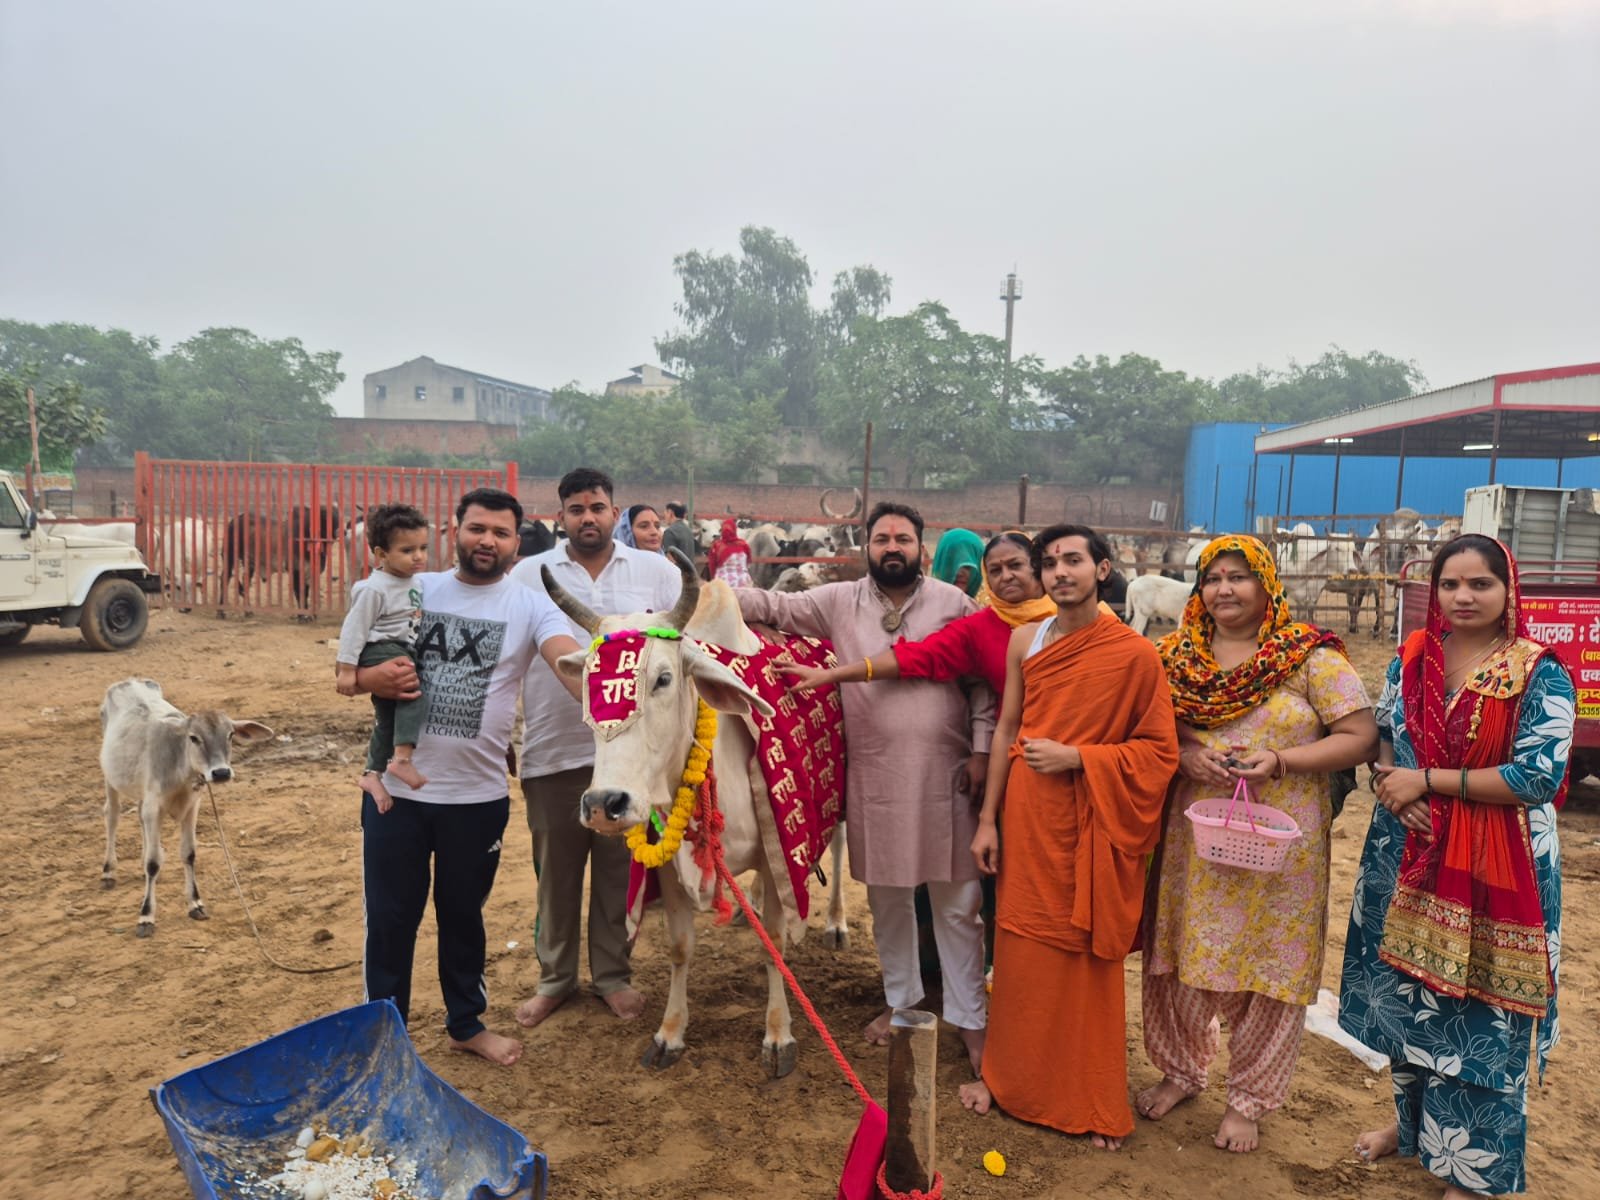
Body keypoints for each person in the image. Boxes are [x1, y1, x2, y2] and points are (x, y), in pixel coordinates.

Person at [1338, 534, 1572, 1199]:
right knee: (1407, 1003)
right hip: (1404, 852)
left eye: (1481, 584)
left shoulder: (1538, 670)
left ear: (1509, 591)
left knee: (1478, 1014)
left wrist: (1429, 784)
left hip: (1498, 868)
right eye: (1450, 584)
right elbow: (1385, 743)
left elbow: (1535, 776)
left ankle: (1474, 1172)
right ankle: (1413, 1133)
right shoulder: (1410, 661)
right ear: (1433, 591)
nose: (1464, 597)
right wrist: (1394, 787)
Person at [1137, 535, 1377, 1153]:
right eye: (1212, 577)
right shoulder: (1173, 658)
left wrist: (1282, 760)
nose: (1224, 589)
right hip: (1196, 840)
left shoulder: (1306, 657)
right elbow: (1152, 727)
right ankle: (1181, 1071)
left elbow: (1358, 736)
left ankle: (1248, 1100)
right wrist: (1188, 751)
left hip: (1283, 847)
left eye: (1238, 576)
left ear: (1266, 584)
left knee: (1272, 963)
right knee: (1183, 955)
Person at [736, 501, 996, 1072]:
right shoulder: (839, 600)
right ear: (866, 547)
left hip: (946, 777)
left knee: (957, 907)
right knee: (889, 903)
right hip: (876, 778)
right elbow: (773, 604)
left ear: (922, 549)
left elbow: (982, 686)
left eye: (903, 538)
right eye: (882, 539)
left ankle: (970, 1020)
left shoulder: (955, 604)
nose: (893, 547)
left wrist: (980, 750)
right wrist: (706, 592)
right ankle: (903, 1007)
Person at [959, 524, 1178, 1150]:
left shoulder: (1135, 653)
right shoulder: (1025, 640)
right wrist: (986, 821)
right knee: (1022, 948)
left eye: (1073, 560)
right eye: (1048, 563)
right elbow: (1005, 730)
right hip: (1028, 817)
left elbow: (1158, 750)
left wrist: (1082, 758)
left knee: (1082, 954)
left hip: (1093, 820)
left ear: (1102, 570)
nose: (1059, 572)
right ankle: (1005, 1080)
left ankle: (1087, 1096)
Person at [353, 487, 582, 1066]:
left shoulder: (531, 606)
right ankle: (386, 1035)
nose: (488, 541)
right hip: (397, 793)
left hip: (477, 799)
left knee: (463, 916)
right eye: (478, 528)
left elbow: (567, 661)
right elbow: (355, 662)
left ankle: (465, 1024)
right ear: (455, 529)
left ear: (516, 543)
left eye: (501, 533)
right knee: (390, 918)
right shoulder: (413, 588)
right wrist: (368, 680)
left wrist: (613, 697)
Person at [509, 468, 683, 1029]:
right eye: (577, 509)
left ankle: (613, 976)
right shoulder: (527, 575)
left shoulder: (657, 572)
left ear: (616, 514)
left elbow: (688, 648)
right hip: (554, 746)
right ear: (561, 517)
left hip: (633, 756)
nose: (589, 517)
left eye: (599, 507)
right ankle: (555, 980)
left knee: (617, 872)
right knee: (556, 875)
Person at [334, 503, 432, 812]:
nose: (418, 556)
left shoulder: (415, 583)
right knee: (414, 692)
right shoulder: (373, 588)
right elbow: (353, 630)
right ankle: (402, 760)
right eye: (407, 550)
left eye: (422, 548)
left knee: (388, 719)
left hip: (402, 648)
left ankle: (372, 774)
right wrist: (347, 670)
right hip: (383, 649)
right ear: (380, 554)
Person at [931, 528, 985, 598]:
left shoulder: (993, 607)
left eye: (967, 567)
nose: (959, 573)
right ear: (940, 563)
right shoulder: (923, 603)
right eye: (951, 563)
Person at [706, 518, 753, 587]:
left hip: (723, 584)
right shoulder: (743, 545)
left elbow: (712, 566)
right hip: (743, 582)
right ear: (734, 530)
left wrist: (714, 580)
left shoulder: (717, 546)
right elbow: (748, 562)